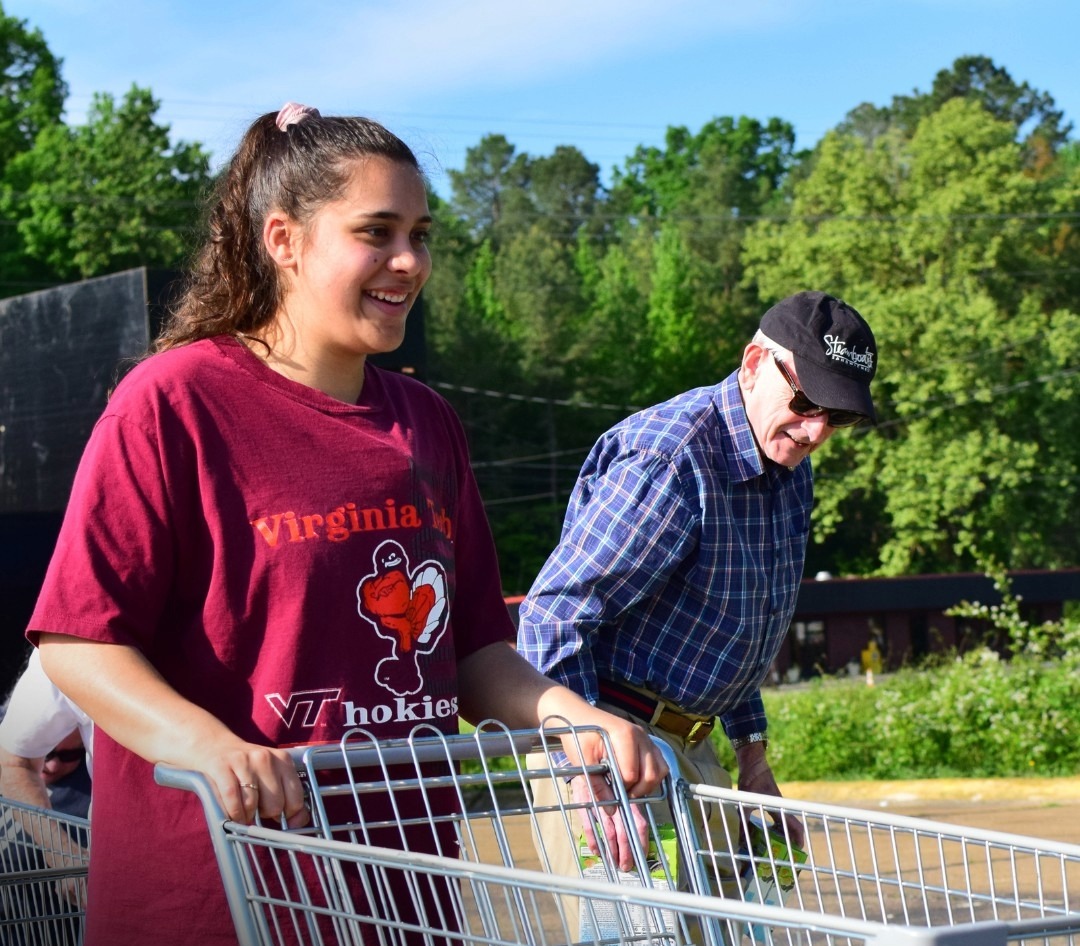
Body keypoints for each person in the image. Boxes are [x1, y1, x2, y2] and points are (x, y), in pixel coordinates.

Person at [28, 102, 664, 946]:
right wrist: (209, 745)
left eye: (422, 234)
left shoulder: (426, 422)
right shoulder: (174, 402)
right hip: (217, 899)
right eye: (377, 232)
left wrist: (568, 717)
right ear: (284, 240)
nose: (409, 261)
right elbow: (77, 643)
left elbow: (472, 649)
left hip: (403, 896)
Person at [517, 290, 878, 912]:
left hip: (694, 744)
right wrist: (585, 766)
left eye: (837, 416)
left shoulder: (790, 470)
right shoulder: (671, 457)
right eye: (806, 401)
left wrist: (753, 757)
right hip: (610, 748)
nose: (817, 430)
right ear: (753, 363)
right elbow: (553, 615)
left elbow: (738, 630)